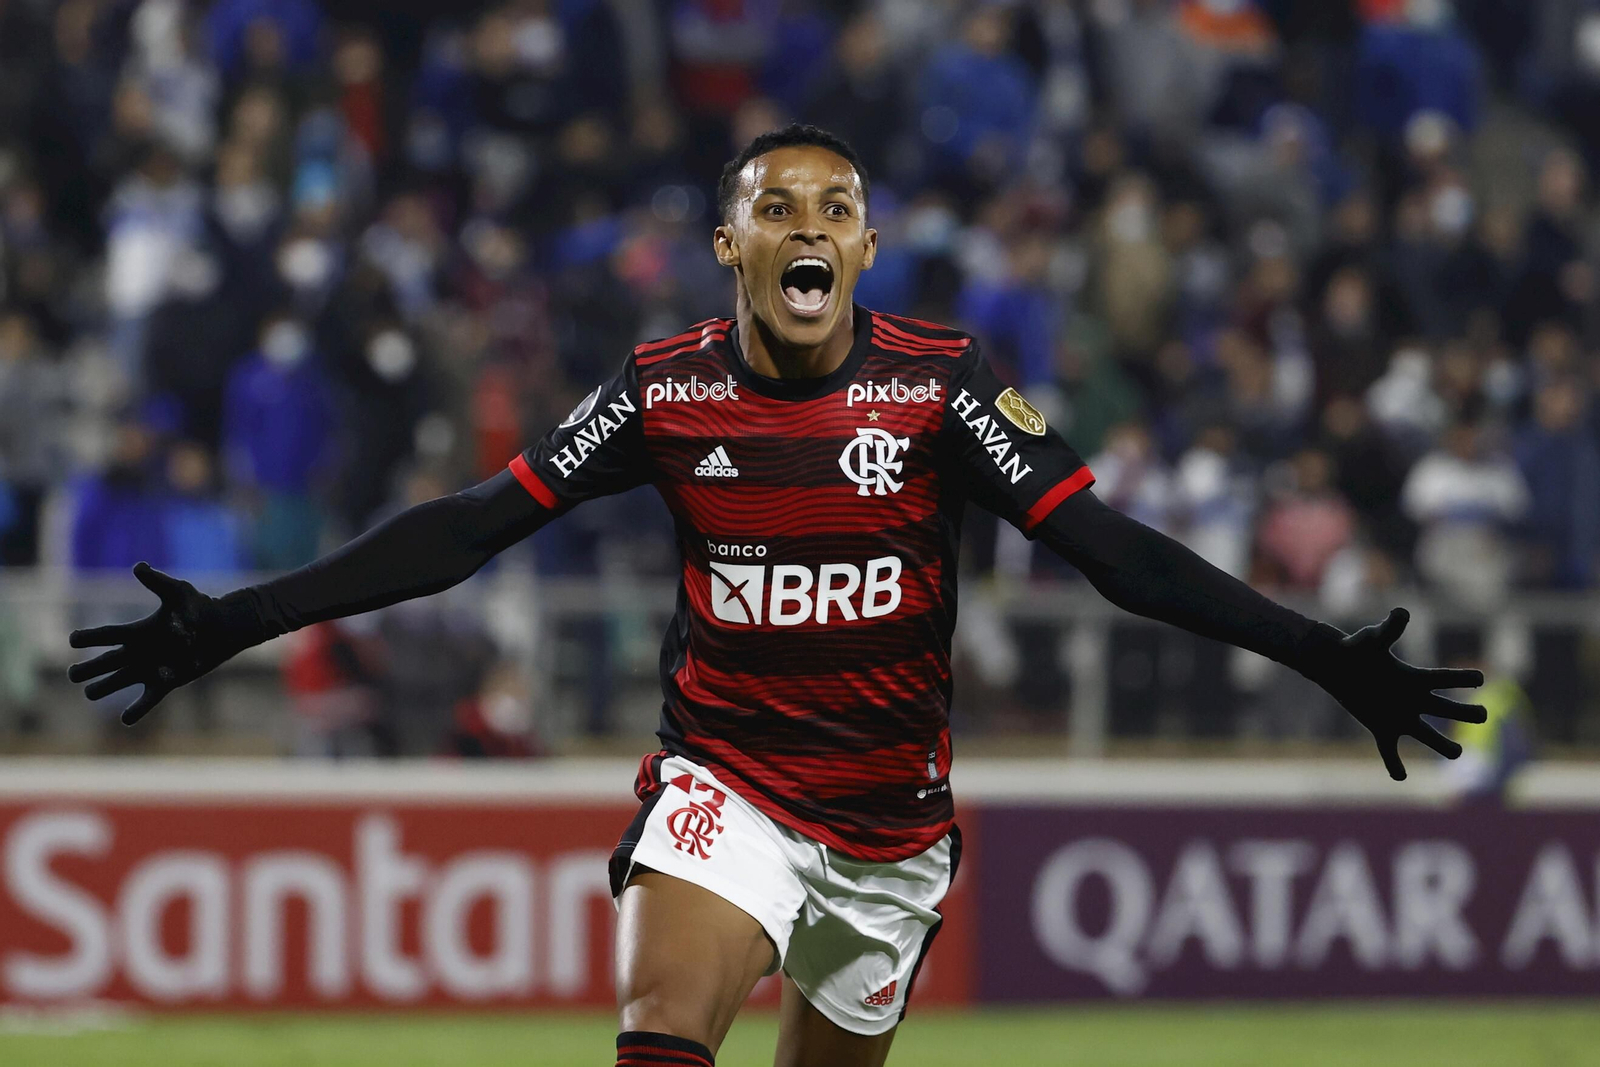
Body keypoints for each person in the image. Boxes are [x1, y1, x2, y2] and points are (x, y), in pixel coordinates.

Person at [68, 126, 1485, 1067]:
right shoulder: (664, 389)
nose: (809, 225)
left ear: (863, 254)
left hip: (890, 833)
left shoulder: (941, 386)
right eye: (777, 207)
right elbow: (464, 527)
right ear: (732, 248)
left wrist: (1319, 655)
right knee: (663, 1022)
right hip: (728, 779)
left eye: (837, 209)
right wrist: (239, 619)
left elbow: (1111, 552)